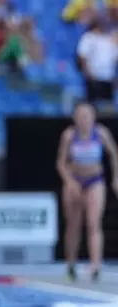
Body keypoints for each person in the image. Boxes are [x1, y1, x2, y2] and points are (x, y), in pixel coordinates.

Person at [56, 101, 118, 282]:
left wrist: (115, 178)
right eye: (81, 115)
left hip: (95, 181)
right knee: (73, 225)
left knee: (93, 222)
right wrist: (68, 181)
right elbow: (60, 162)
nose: (84, 119)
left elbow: (114, 154)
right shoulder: (69, 136)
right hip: (75, 180)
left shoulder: (101, 133)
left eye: (87, 115)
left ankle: (96, 266)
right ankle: (71, 264)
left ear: (93, 117)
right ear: (75, 118)